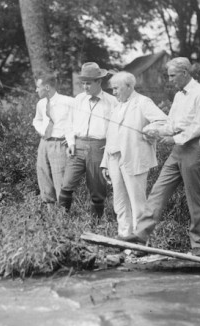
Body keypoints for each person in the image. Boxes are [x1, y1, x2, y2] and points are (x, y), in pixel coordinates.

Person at [119, 57, 200, 257]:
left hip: (195, 148)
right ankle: (141, 235)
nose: (169, 80)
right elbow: (172, 123)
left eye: (172, 76)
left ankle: (198, 244)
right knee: (157, 192)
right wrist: (158, 131)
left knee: (195, 198)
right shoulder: (180, 96)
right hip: (178, 150)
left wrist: (175, 139)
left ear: (185, 73)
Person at [100, 71, 167, 237]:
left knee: (137, 202)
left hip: (134, 158)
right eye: (112, 89)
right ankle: (125, 237)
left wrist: (148, 131)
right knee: (120, 202)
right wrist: (105, 163)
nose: (113, 92)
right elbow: (110, 136)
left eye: (116, 88)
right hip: (114, 159)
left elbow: (163, 121)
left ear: (129, 86)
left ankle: (142, 239)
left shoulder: (143, 102)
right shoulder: (117, 106)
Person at [58, 62, 118, 219]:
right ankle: (60, 221)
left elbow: (115, 129)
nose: (85, 87)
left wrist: (110, 148)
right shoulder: (78, 99)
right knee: (67, 183)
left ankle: (96, 223)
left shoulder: (112, 102)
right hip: (77, 146)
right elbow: (68, 122)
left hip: (99, 147)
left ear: (99, 82)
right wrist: (71, 142)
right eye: (83, 83)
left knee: (98, 188)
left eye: (88, 83)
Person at [32, 74, 74, 203]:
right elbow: (37, 120)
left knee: (60, 178)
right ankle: (51, 214)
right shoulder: (41, 103)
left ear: (47, 87)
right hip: (44, 143)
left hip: (59, 144)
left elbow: (74, 123)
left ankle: (64, 214)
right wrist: (42, 131)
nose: (36, 90)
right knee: (43, 175)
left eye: (38, 87)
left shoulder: (68, 102)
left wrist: (71, 141)